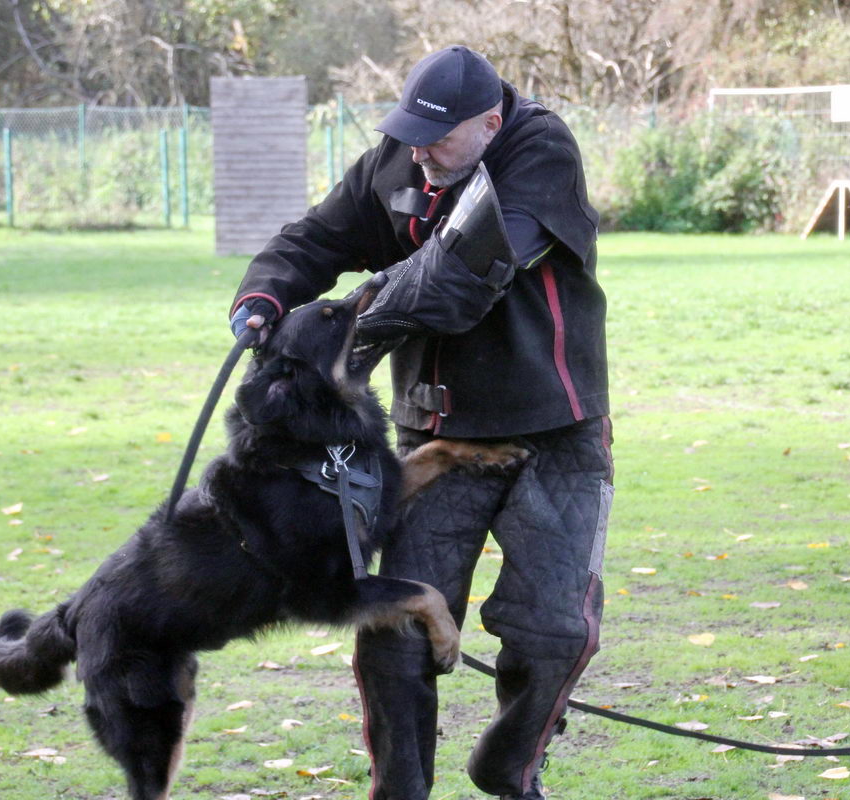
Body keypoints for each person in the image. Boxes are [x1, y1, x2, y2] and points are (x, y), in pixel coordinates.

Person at [228, 45, 613, 800]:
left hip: (556, 432)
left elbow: (461, 279)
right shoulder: (402, 160)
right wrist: (264, 301)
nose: (421, 154)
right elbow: (315, 239)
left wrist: (343, 324)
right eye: (409, 135)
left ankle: (510, 765)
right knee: (395, 638)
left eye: (439, 139)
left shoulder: (539, 151)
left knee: (552, 633)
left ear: (490, 123)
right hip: (435, 438)